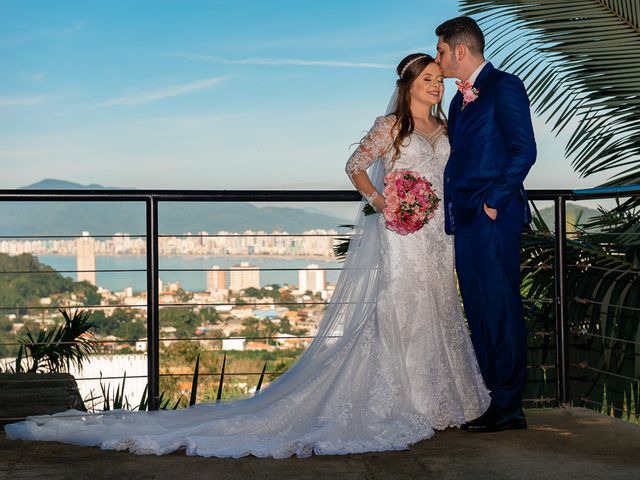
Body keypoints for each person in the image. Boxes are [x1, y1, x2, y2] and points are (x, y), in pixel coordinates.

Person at [6, 54, 490, 458]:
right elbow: (354, 165)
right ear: (408, 83)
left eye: (439, 80)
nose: (436, 85)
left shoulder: (446, 126)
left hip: (436, 234)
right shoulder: (390, 126)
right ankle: (403, 401)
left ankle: (437, 402)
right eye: (428, 79)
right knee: (401, 308)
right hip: (400, 234)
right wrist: (384, 200)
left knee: (438, 307)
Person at [435, 16, 537, 432]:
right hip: (467, 219)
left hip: (492, 218)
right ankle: (492, 398)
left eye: (441, 51)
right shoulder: (460, 100)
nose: (438, 59)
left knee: (501, 308)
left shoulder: (504, 86)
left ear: (460, 50)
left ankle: (510, 406)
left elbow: (523, 150)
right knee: (478, 309)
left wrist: (495, 200)